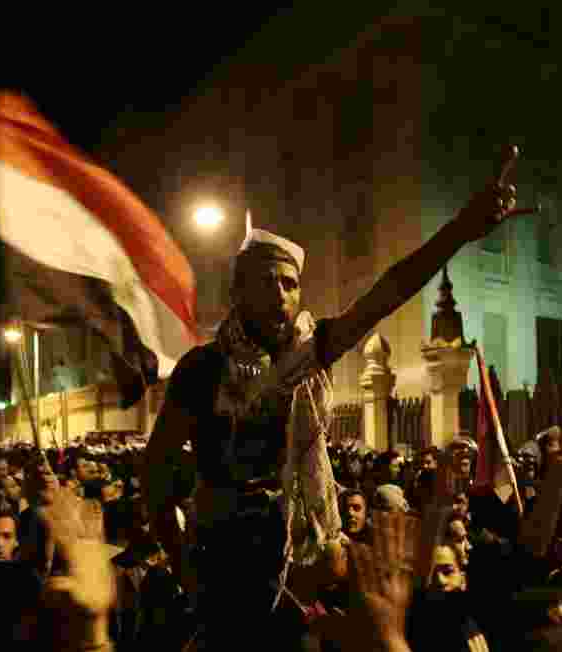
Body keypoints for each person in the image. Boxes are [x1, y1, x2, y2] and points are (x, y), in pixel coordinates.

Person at [142, 146, 538, 649]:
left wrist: (460, 230)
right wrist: (183, 568)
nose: (281, 294)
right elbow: (155, 472)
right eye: (266, 282)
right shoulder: (202, 368)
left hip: (309, 571)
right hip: (227, 580)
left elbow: (388, 291)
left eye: (290, 284)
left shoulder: (313, 351)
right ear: (238, 291)